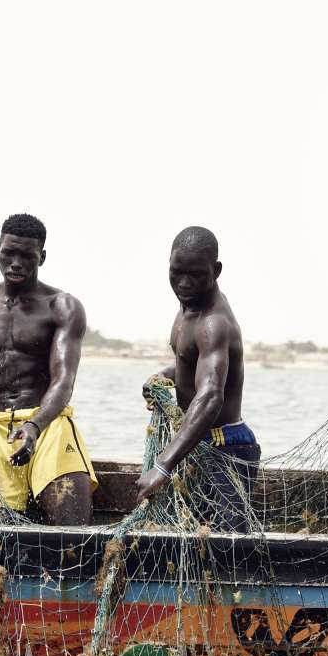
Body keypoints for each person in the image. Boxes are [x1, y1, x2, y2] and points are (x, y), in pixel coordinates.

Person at [0, 214, 98, 525]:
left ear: (41, 256)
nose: (15, 263)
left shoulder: (63, 307)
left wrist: (35, 427)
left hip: (48, 426)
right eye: (8, 254)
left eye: (26, 256)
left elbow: (63, 382)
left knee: (76, 533)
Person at [134, 227, 260, 531]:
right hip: (195, 443)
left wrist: (163, 466)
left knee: (225, 547)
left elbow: (211, 396)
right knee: (190, 537)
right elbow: (191, 366)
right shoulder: (186, 307)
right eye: (177, 273)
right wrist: (165, 377)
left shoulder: (213, 322)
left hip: (225, 447)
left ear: (216, 271)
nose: (184, 283)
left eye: (196, 275)